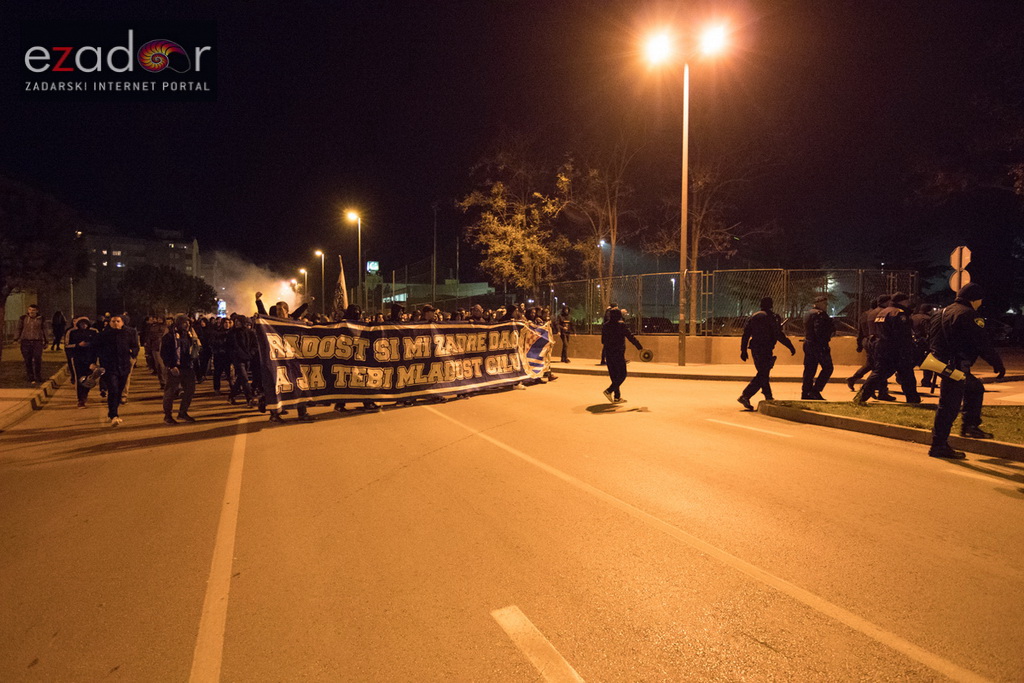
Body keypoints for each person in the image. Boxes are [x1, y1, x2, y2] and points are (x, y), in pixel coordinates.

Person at [927, 282, 1006, 459]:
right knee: (949, 405)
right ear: (975, 299)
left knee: (975, 388)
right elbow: (982, 344)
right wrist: (997, 364)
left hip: (938, 363)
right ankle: (939, 445)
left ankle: (969, 426)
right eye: (980, 300)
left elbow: (931, 338)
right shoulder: (969, 315)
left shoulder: (941, 312)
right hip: (954, 365)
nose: (981, 303)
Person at [855, 292, 921, 405]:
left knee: (879, 374)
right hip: (897, 349)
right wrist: (908, 349)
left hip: (882, 347)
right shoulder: (899, 314)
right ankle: (913, 399)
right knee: (907, 375)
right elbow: (902, 335)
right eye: (906, 301)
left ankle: (861, 397)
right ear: (902, 301)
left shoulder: (883, 312)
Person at [737, 297, 796, 410]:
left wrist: (743, 350)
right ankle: (746, 395)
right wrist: (790, 346)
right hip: (765, 349)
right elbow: (778, 334)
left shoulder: (754, 316)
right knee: (763, 373)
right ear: (771, 305)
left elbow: (746, 334)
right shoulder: (771, 317)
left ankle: (768, 396)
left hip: (755, 349)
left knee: (763, 372)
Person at [90, 314, 139, 426]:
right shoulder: (103, 335)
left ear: (122, 322)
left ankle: (112, 412)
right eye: (113, 321)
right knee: (113, 389)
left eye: (118, 321)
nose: (115, 323)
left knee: (119, 390)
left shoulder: (129, 333)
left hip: (124, 365)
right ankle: (114, 415)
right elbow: (94, 348)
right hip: (109, 366)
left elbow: (135, 345)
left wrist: (133, 354)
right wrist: (92, 362)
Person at [846, 295, 894, 400]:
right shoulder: (882, 313)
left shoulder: (866, 314)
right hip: (878, 342)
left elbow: (860, 331)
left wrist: (859, 344)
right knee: (880, 367)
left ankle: (856, 380)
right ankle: (878, 391)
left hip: (868, 341)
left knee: (871, 365)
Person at [161, 315, 199, 424]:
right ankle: (167, 415)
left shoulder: (188, 335)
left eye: (188, 323)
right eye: (184, 323)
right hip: (175, 368)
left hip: (187, 367)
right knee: (171, 392)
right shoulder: (169, 336)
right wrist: (171, 366)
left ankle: (183, 412)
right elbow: (164, 353)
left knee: (190, 390)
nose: (187, 325)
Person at [600, 307, 643, 403]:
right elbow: (630, 337)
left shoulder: (605, 326)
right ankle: (609, 391)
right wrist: (640, 347)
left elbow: (603, 341)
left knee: (614, 375)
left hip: (608, 353)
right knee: (622, 374)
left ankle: (617, 397)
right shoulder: (621, 325)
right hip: (618, 353)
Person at [801, 295, 835, 399]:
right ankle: (815, 390)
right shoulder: (820, 314)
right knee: (828, 368)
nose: (826, 306)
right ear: (819, 303)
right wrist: (825, 341)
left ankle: (805, 393)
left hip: (808, 343)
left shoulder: (808, 313)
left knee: (809, 370)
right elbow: (819, 331)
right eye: (824, 303)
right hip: (819, 345)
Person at [66, 316, 98, 408]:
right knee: (79, 378)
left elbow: (99, 344)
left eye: (85, 324)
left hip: (91, 358)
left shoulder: (94, 332)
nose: (83, 325)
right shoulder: (72, 332)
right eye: (81, 324)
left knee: (89, 378)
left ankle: (85, 394)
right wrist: (78, 345)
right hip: (77, 358)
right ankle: (80, 399)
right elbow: (67, 345)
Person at [14, 303, 48, 384]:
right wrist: (16, 339)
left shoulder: (41, 319)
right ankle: (30, 376)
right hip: (25, 341)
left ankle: (38, 376)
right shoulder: (23, 318)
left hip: (37, 341)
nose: (31, 312)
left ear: (37, 311)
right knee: (27, 360)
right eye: (29, 310)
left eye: (33, 310)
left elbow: (45, 330)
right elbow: (18, 328)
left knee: (37, 359)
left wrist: (46, 341)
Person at [910, 303, 936, 388]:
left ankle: (900, 377)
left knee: (911, 362)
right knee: (927, 364)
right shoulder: (927, 319)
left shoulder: (912, 317)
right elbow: (928, 332)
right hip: (923, 344)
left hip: (912, 343)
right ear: (929, 310)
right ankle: (926, 381)